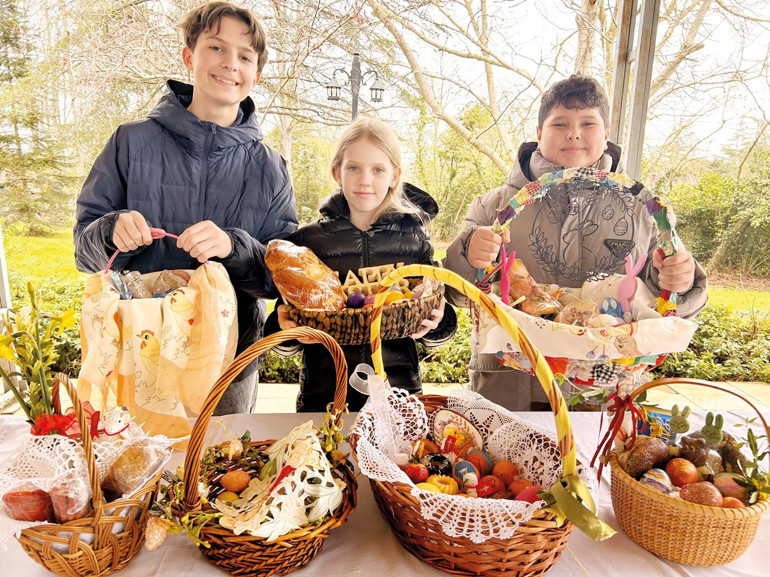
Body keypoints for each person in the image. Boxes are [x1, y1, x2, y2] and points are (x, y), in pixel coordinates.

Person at [73, 1, 298, 415]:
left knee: (221, 469)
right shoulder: (129, 142)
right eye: (216, 48)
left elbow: (285, 279)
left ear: (256, 74)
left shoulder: (271, 168)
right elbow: (83, 251)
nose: (230, 63)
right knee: (138, 473)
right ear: (189, 56)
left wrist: (235, 247)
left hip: (230, 358)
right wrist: (110, 231)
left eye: (245, 56)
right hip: (138, 354)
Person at [443, 75, 708, 411]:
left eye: (587, 123)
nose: (573, 133)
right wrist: (469, 256)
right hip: (507, 389)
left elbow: (672, 301)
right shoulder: (494, 207)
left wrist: (680, 281)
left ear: (607, 131)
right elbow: (455, 292)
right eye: (559, 124)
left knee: (596, 463)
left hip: (604, 397)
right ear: (538, 134)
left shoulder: (644, 211)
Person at [267, 116, 457, 412]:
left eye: (378, 169)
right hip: (324, 400)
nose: (365, 179)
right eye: (353, 167)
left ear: (395, 175)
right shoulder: (308, 242)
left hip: (399, 398)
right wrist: (282, 329)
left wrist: (438, 323)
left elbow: (438, 323)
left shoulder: (415, 240)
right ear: (337, 172)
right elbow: (286, 335)